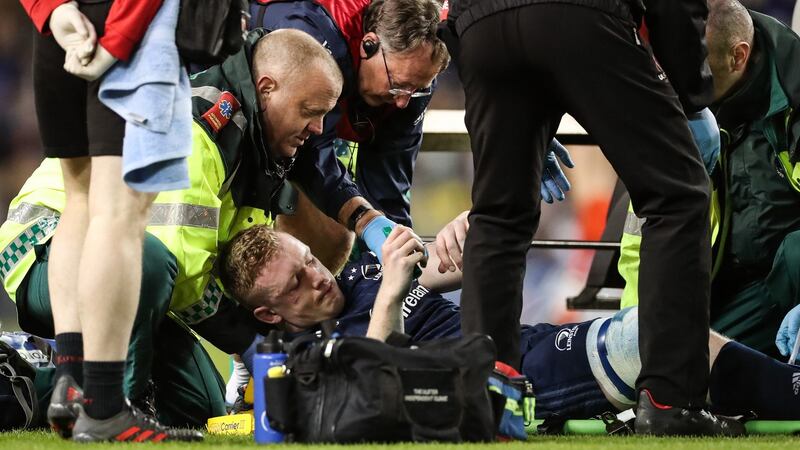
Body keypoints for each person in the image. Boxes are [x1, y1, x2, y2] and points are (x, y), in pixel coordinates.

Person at [0, 28, 342, 433]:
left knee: (202, 409)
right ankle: (110, 410)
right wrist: (247, 340)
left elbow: (223, 267)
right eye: (310, 110)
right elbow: (178, 267)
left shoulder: (254, 150)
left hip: (131, 277)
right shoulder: (200, 131)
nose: (318, 128)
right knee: (148, 259)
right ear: (267, 88)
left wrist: (262, 336)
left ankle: (22, 380)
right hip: (45, 250)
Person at [437, 0, 730, 434]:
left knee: (498, 218)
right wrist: (690, 97)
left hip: (480, 30)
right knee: (677, 195)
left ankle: (488, 401)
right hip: (579, 14)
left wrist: (519, 116)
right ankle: (671, 400)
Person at [220, 217, 797, 428]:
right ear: (270, 313)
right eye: (295, 283)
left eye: (310, 261)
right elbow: (368, 398)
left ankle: (788, 381)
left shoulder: (358, 278)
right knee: (655, 334)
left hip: (518, 349)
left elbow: (454, 270)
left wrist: (468, 230)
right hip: (500, 389)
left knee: (666, 330)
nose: (318, 277)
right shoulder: (298, 357)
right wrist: (393, 294)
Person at [247, 0, 574, 270]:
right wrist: (365, 220)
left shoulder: (410, 78)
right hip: (250, 120)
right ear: (368, 45)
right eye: (398, 85)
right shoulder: (316, 37)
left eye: (417, 89)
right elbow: (310, 155)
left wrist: (400, 258)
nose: (403, 100)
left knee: (346, 229)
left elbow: (389, 188)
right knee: (330, 231)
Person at [19, 0, 202, 442]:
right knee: (118, 214)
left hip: (61, 30)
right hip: (129, 34)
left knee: (79, 199)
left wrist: (49, 11)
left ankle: (71, 377)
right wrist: (118, 39)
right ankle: (102, 405)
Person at [618, 0, 800, 360]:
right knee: (676, 367)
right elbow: (643, 237)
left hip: (787, 284)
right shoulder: (672, 109)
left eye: (697, 68)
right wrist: (634, 331)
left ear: (738, 56)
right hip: (721, 289)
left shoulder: (794, 102)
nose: (683, 81)